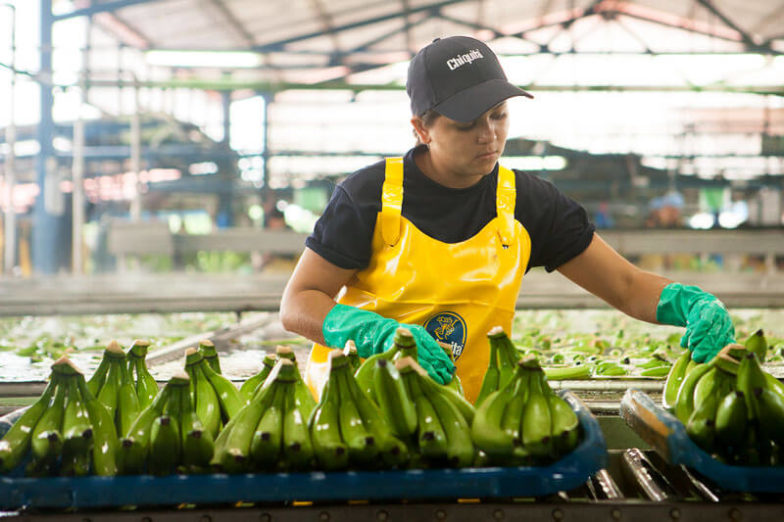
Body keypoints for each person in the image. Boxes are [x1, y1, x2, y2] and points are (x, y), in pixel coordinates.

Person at [279, 36, 735, 403]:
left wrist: (690, 304)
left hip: (473, 415)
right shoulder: (367, 195)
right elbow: (298, 302)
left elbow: (627, 287)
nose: (489, 135)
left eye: (499, 115)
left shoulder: (530, 203)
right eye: (466, 124)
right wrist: (373, 332)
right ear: (421, 128)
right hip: (361, 408)